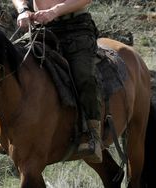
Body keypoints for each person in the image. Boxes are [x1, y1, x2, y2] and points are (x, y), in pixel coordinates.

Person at [13, 0, 102, 163]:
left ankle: (92, 133)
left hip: (76, 27)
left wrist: (55, 11)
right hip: (41, 29)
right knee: (12, 67)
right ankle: (8, 131)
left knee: (84, 77)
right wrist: (23, 10)